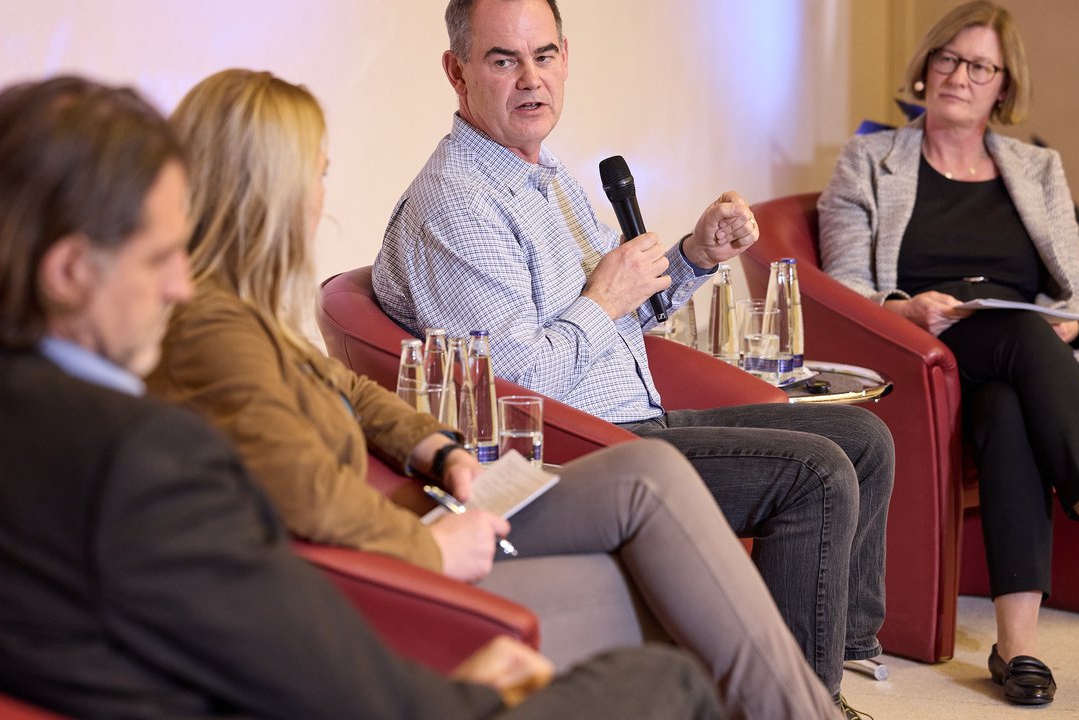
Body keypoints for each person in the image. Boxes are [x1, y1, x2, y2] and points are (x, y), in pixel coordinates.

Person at [0, 75, 721, 720]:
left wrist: (435, 453)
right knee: (667, 682)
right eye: (158, 259)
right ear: (70, 271)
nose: (180, 287)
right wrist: (465, 686)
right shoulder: (139, 458)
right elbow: (347, 690)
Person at [146, 67, 840, 720]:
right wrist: (433, 550)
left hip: (424, 512)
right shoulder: (214, 328)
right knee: (662, 547)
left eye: (543, 57)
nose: (322, 197)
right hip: (379, 573)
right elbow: (309, 494)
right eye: (317, 175)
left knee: (655, 485)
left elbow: (351, 389)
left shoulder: (237, 314)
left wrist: (435, 446)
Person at [371, 1, 894, 715]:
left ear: (565, 57)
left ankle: (829, 661)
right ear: (456, 72)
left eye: (545, 55)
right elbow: (515, 390)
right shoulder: (457, 205)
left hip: (640, 416)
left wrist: (692, 257)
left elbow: (619, 315)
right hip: (582, 451)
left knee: (862, 440)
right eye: (503, 60)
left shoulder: (545, 174)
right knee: (816, 474)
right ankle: (800, 705)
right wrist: (602, 301)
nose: (532, 79)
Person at [818, 0, 1079, 707]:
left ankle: (1017, 647)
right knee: (1016, 341)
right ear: (925, 69)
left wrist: (1071, 330)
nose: (959, 75)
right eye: (948, 58)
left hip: (1023, 353)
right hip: (926, 349)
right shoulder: (869, 160)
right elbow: (844, 290)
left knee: (1010, 402)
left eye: (980, 66)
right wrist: (907, 309)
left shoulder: (1036, 166)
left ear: (1003, 87)